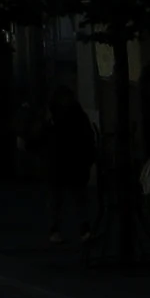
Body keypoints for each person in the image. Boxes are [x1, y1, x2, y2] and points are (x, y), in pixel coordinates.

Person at [43, 87, 96, 245]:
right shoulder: (78, 116)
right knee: (76, 198)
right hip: (73, 162)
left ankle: (56, 229)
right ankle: (82, 229)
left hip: (60, 162)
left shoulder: (53, 116)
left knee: (58, 199)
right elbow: (87, 138)